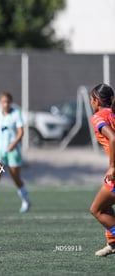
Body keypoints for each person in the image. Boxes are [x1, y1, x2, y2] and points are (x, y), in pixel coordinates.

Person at [0, 91, 30, 214]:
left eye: (8, 102)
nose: (6, 104)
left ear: (11, 103)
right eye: (3, 102)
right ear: (0, 103)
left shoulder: (16, 114)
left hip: (13, 151)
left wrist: (13, 144)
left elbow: (21, 132)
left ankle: (26, 201)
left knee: (16, 178)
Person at [88, 83, 115, 257]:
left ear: (97, 101)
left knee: (96, 209)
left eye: (91, 99)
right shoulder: (112, 114)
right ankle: (112, 243)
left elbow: (113, 139)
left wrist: (112, 166)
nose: (91, 102)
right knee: (105, 206)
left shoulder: (98, 117)